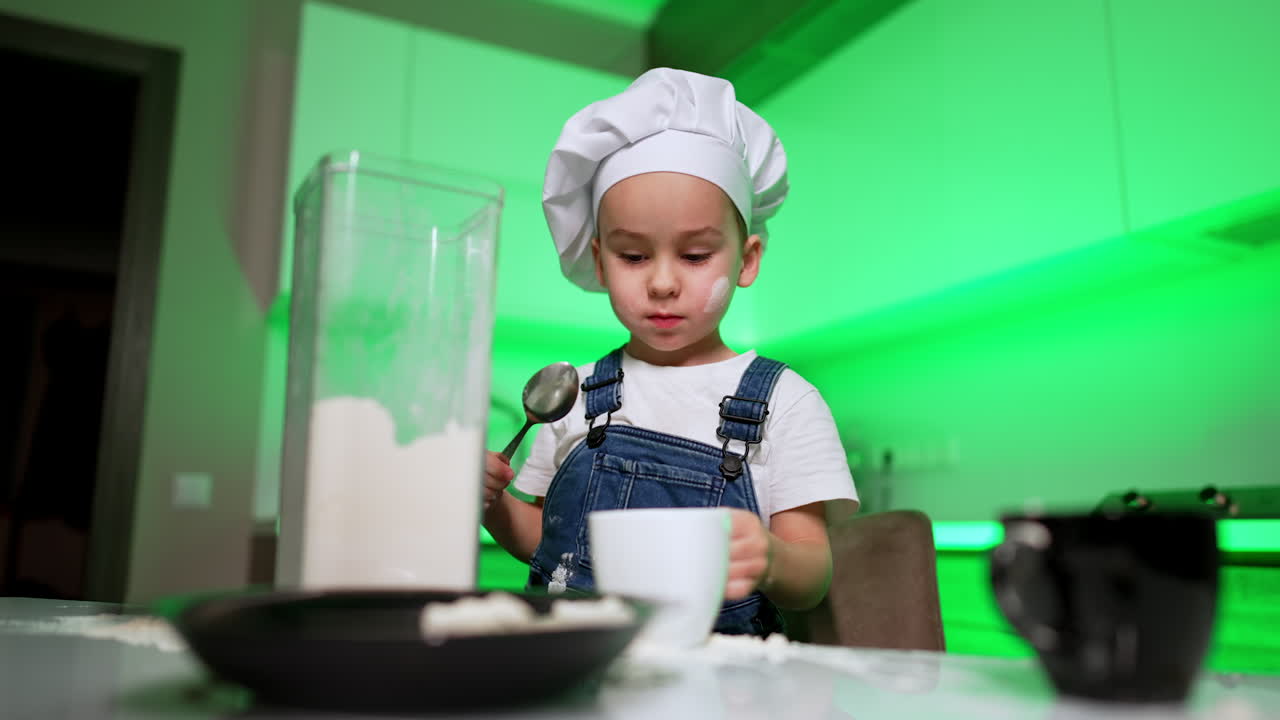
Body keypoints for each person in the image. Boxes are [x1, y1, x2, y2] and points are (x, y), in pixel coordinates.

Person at [482, 68, 858, 636]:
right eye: (634, 256)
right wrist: (491, 506)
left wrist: (774, 559)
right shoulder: (574, 396)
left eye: (695, 255)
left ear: (747, 258)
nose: (661, 283)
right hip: (575, 668)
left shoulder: (786, 403)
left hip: (722, 683)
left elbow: (814, 574)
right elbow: (547, 544)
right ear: (601, 260)